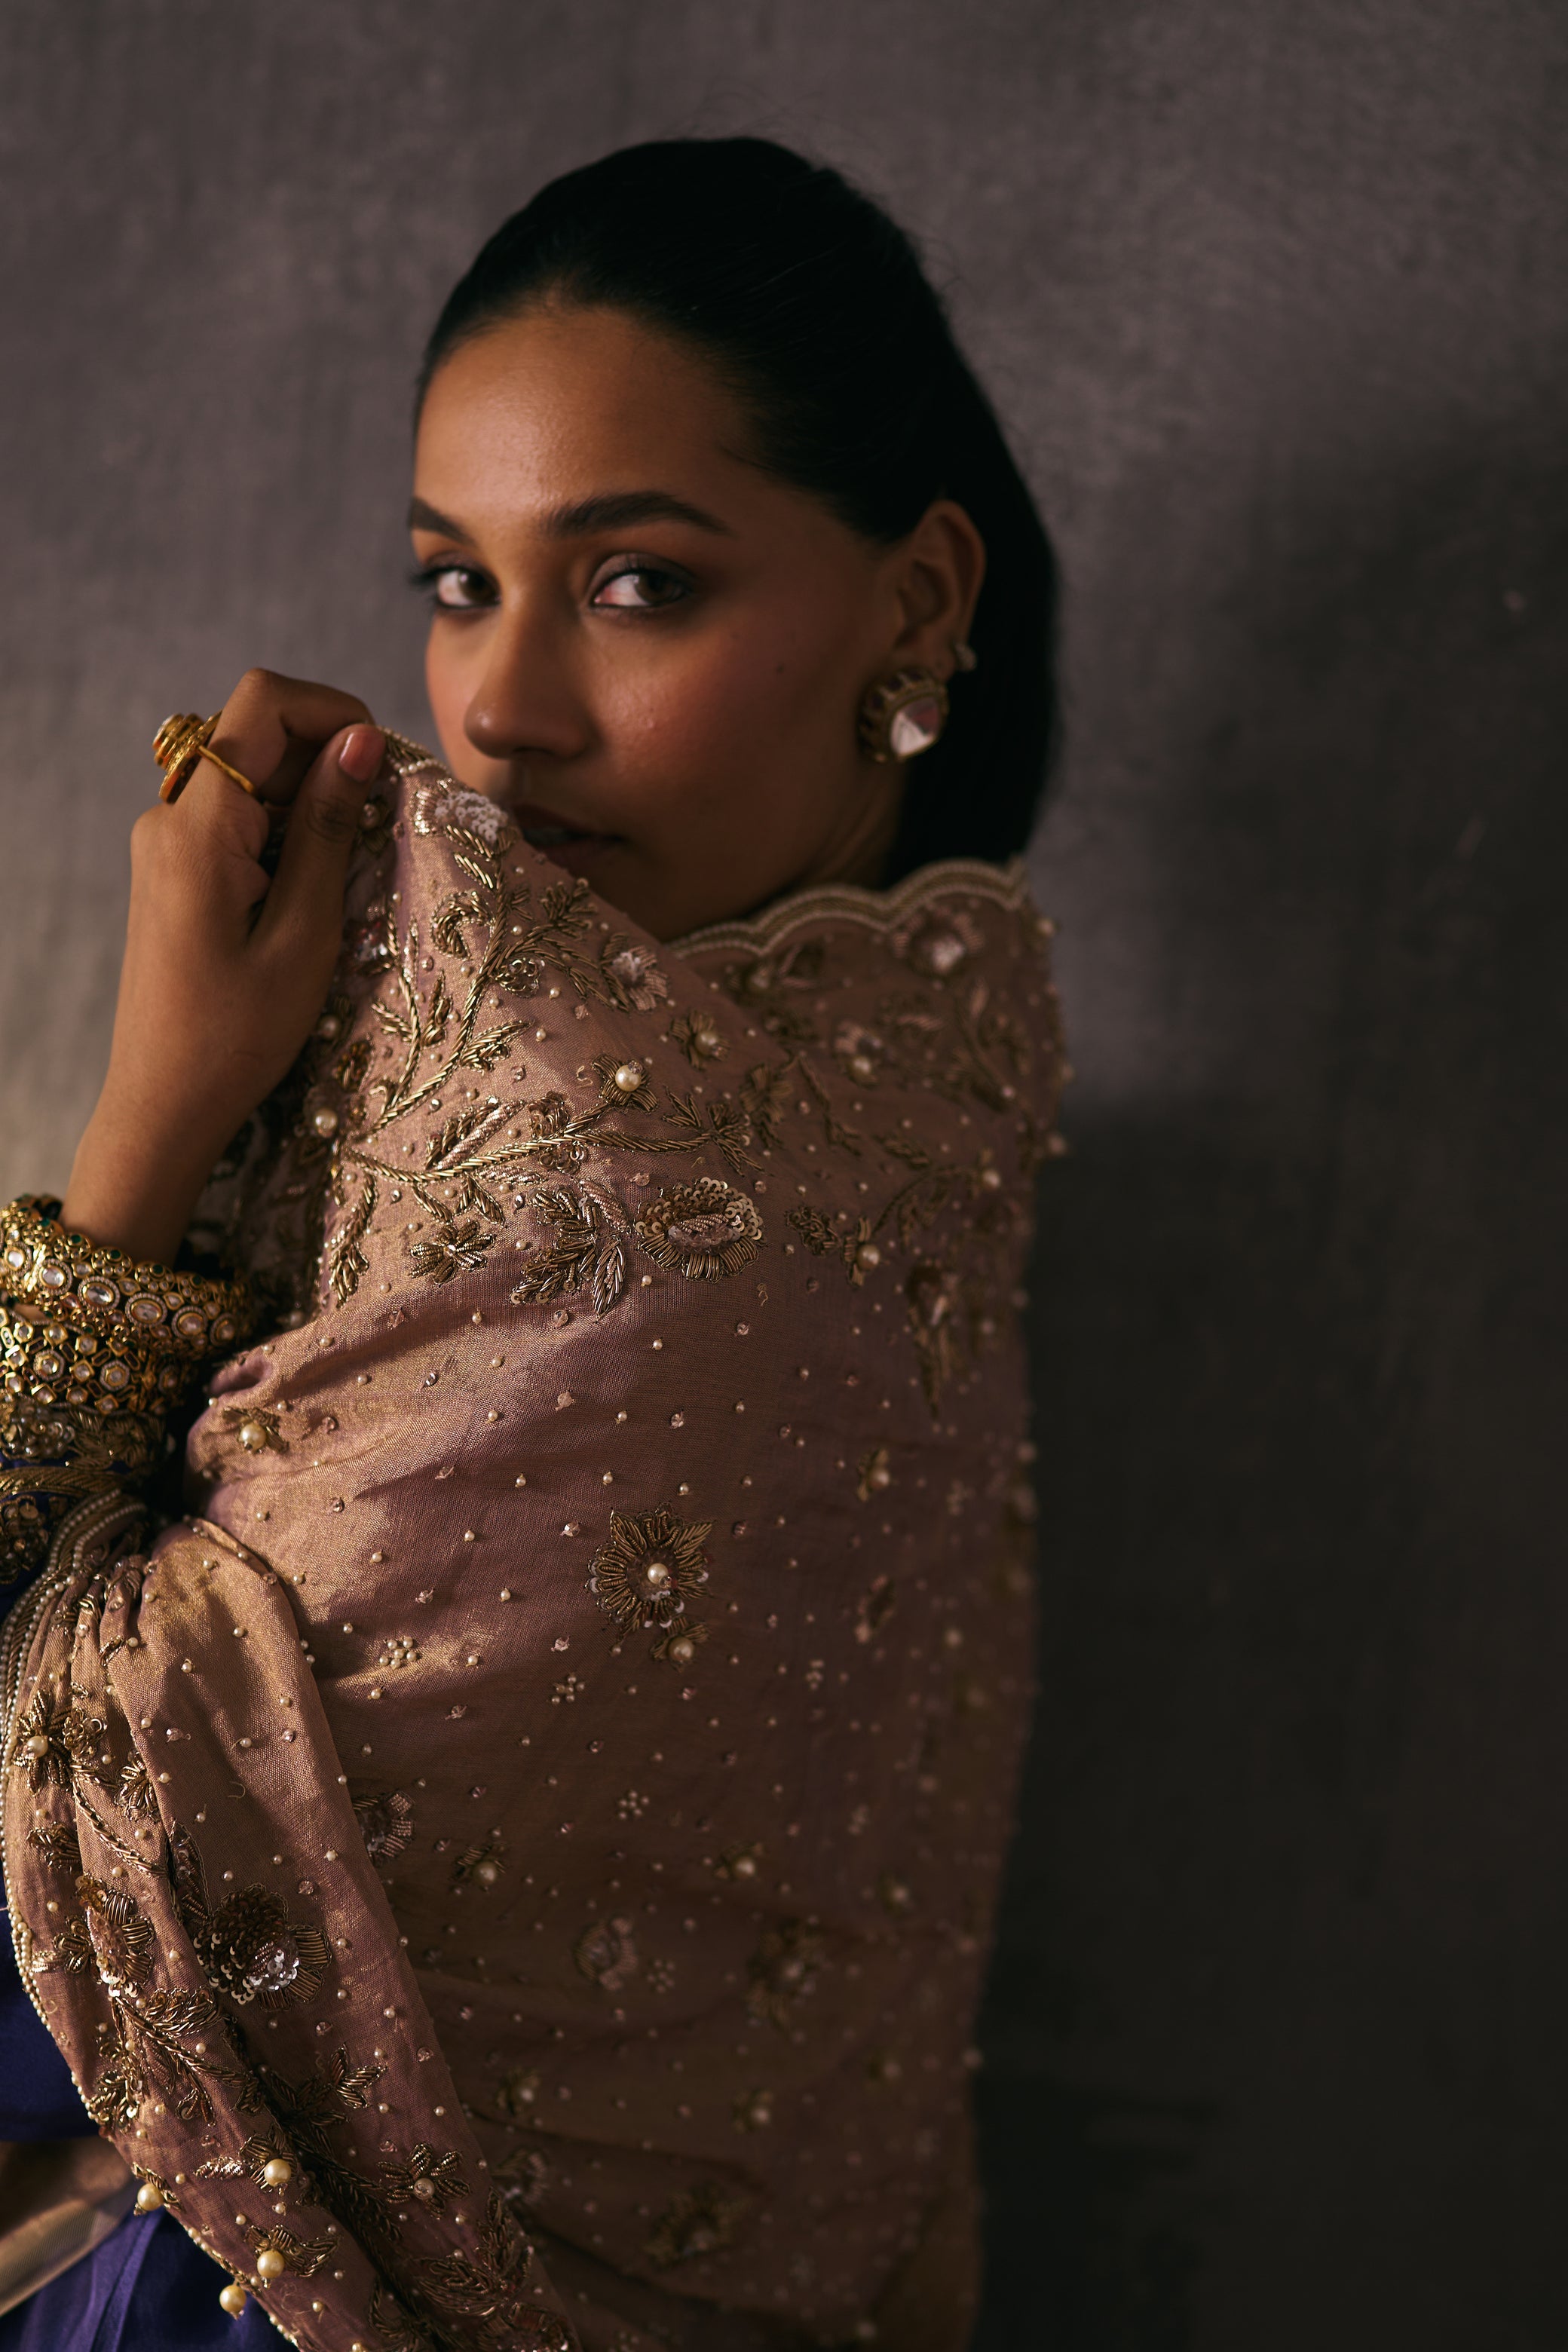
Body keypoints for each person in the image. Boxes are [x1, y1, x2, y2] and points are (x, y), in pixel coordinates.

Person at [0, 137, 1066, 2352]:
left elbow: (73, 1828)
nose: (499, 711)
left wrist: (151, 1117)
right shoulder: (947, 1125)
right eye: (457, 581)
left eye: (637, 582)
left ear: (916, 605)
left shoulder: (678, 1214)